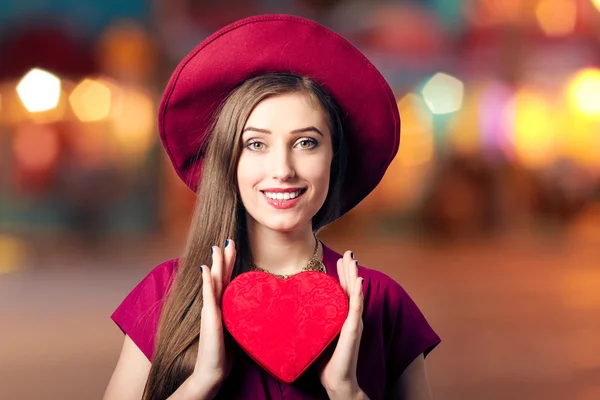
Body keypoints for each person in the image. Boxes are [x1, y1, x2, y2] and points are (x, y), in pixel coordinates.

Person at [104, 14, 440, 400]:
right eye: (256, 144)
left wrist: (346, 392)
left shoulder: (382, 302)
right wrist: (202, 381)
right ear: (228, 159)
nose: (282, 170)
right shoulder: (167, 293)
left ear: (335, 156)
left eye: (306, 142)